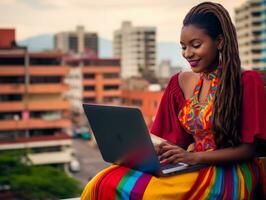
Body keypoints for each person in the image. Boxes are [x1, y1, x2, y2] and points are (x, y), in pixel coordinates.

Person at [81, 2, 266, 199]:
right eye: (183, 47)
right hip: (192, 165)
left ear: (219, 41)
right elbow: (175, 141)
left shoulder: (246, 81)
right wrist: (162, 151)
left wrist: (193, 157)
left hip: (231, 172)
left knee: (149, 194)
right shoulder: (180, 82)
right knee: (103, 181)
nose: (187, 54)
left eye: (196, 45)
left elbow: (247, 150)